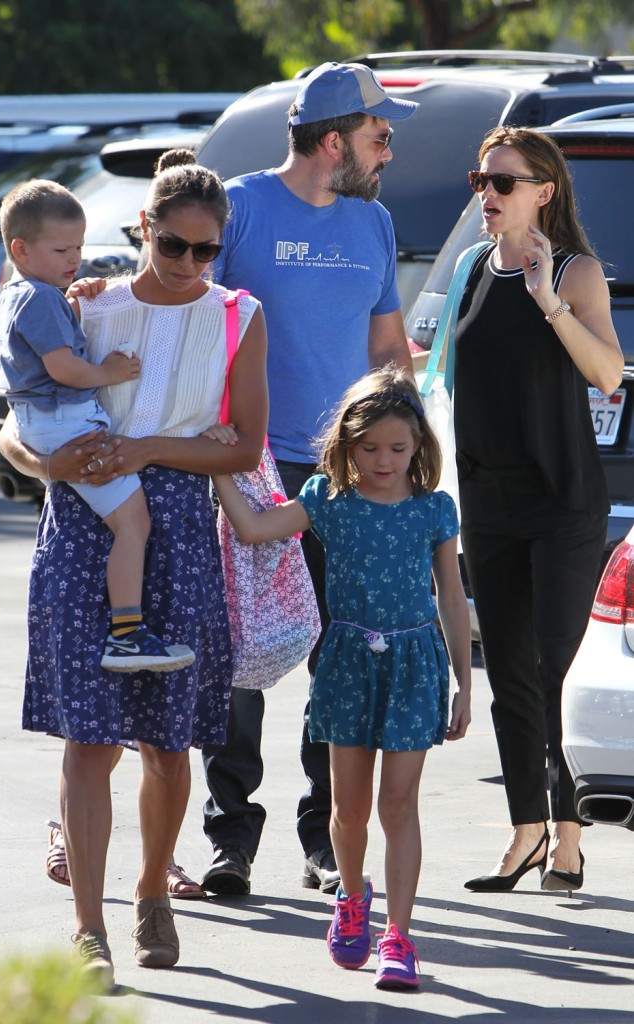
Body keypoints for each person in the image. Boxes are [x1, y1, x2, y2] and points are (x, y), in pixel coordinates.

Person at [0, 149, 268, 988]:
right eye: (175, 246)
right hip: (83, 525)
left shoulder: (238, 315)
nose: (190, 265)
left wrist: (147, 448)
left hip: (179, 529)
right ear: (144, 228)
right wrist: (47, 469)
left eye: (206, 250)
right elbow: (19, 423)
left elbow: (250, 445)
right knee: (87, 741)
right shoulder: (84, 305)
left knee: (166, 743)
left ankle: (153, 890)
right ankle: (89, 926)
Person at [198, 60, 419, 898]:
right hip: (253, 464)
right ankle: (231, 841)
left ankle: (326, 840)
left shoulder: (373, 224)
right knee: (245, 658)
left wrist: (409, 443)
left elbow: (385, 346)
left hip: (349, 472)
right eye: (378, 135)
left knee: (342, 660)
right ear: (334, 141)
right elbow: (184, 301)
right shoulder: (242, 206)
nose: (387, 151)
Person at [213, 364, 471, 989]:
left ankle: (400, 939)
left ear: (419, 447)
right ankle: (352, 899)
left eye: (398, 448)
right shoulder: (326, 500)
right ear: (347, 447)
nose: (384, 460)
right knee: (349, 810)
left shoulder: (435, 510)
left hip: (415, 667)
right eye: (369, 448)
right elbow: (252, 528)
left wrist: (465, 683)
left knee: (398, 804)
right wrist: (217, 466)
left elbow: (452, 598)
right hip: (347, 664)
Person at [455, 126, 623, 894]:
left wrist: (548, 297)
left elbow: (609, 374)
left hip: (562, 502)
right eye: (480, 180)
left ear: (543, 192)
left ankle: (569, 838)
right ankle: (527, 831)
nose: (486, 194)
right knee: (511, 675)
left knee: (554, 668)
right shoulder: (467, 268)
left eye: (503, 182)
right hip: (490, 500)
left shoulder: (578, 272)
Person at [0, 179, 194, 675]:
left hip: (44, 424)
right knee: (133, 523)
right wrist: (109, 372)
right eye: (62, 249)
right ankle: (127, 633)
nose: (74, 258)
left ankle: (127, 631)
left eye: (79, 246)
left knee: (125, 522)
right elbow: (63, 367)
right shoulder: (40, 298)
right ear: (21, 248)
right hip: (67, 425)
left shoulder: (17, 292)